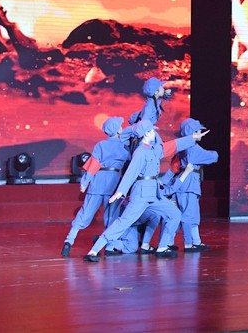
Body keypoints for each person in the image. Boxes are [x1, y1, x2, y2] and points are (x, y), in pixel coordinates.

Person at [83, 119, 208, 262]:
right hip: (141, 195)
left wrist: (192, 138)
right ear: (147, 134)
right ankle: (94, 250)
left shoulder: (153, 150)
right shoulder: (140, 152)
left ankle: (162, 247)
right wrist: (120, 191)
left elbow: (172, 145)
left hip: (153, 194)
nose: (155, 133)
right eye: (152, 130)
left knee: (174, 214)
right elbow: (131, 173)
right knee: (123, 222)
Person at [61, 116, 130, 257]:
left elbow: (93, 165)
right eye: (120, 126)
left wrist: (85, 182)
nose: (122, 128)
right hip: (114, 183)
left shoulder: (100, 145)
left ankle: (69, 241)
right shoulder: (124, 146)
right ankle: (109, 247)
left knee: (85, 213)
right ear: (117, 130)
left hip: (98, 182)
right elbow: (129, 166)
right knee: (112, 217)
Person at [162, 118, 219, 252]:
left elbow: (174, 167)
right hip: (189, 184)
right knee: (189, 214)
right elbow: (213, 157)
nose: (200, 133)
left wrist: (164, 181)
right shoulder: (193, 148)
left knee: (185, 214)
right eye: (198, 131)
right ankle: (189, 243)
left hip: (183, 183)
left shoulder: (182, 148)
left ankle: (176, 242)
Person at [129, 76, 173, 144]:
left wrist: (166, 95)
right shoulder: (149, 106)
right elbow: (143, 123)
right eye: (161, 87)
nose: (163, 88)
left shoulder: (155, 102)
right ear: (156, 92)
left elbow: (166, 107)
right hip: (147, 134)